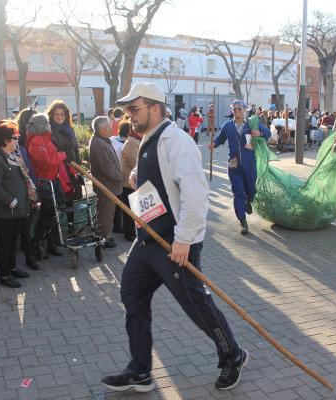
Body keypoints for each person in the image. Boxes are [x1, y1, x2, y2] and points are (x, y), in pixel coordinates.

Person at [101, 82, 248, 393]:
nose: (130, 114)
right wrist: (137, 180)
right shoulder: (148, 141)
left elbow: (196, 196)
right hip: (147, 241)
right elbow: (160, 185)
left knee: (195, 304)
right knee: (131, 295)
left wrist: (184, 241)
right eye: (128, 109)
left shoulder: (178, 142)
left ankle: (232, 354)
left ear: (155, 108)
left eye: (135, 108)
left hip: (173, 243)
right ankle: (140, 370)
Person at [209, 100, 271, 234]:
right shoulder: (227, 126)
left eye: (239, 109)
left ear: (244, 110)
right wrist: (213, 144)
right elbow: (219, 139)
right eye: (234, 109)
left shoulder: (251, 124)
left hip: (249, 163)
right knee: (237, 192)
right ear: (232, 111)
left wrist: (259, 134)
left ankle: (249, 200)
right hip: (234, 164)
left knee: (251, 189)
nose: (237, 111)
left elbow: (268, 133)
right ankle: (242, 220)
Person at [0, 120, 31, 288]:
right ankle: (4, 275)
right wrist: (12, 201)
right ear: (6, 139)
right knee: (4, 242)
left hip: (17, 209)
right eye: (15, 137)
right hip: (4, 211)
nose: (18, 140)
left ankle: (12, 268)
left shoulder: (13, 155)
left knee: (12, 241)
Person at [26, 114, 67, 260]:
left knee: (50, 215)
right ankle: (39, 244)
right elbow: (46, 161)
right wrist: (61, 156)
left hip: (51, 181)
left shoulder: (43, 139)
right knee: (45, 215)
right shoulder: (36, 141)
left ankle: (48, 244)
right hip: (45, 182)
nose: (50, 124)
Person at [48, 100, 83, 237]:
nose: (60, 117)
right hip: (59, 171)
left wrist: (79, 169)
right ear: (51, 115)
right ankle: (54, 235)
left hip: (72, 168)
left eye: (62, 114)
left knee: (71, 201)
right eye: (57, 114)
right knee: (57, 202)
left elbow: (75, 149)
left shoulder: (69, 129)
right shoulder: (49, 131)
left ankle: (71, 229)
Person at [88, 116, 122, 248]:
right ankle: (103, 238)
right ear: (102, 130)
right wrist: (120, 177)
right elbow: (108, 168)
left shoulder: (101, 141)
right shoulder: (99, 143)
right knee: (105, 214)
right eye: (108, 127)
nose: (111, 129)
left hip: (108, 185)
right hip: (107, 186)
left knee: (106, 213)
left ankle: (104, 235)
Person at [15, 108, 41, 271]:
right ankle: (28, 249)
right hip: (18, 191)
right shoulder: (20, 143)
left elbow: (30, 168)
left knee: (28, 221)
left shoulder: (24, 148)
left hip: (30, 186)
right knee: (23, 225)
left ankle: (29, 248)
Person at [119, 120, 142, 241]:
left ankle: (133, 233)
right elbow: (136, 163)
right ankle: (130, 234)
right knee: (129, 211)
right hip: (128, 183)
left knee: (134, 210)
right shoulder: (132, 142)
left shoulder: (136, 140)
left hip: (132, 182)